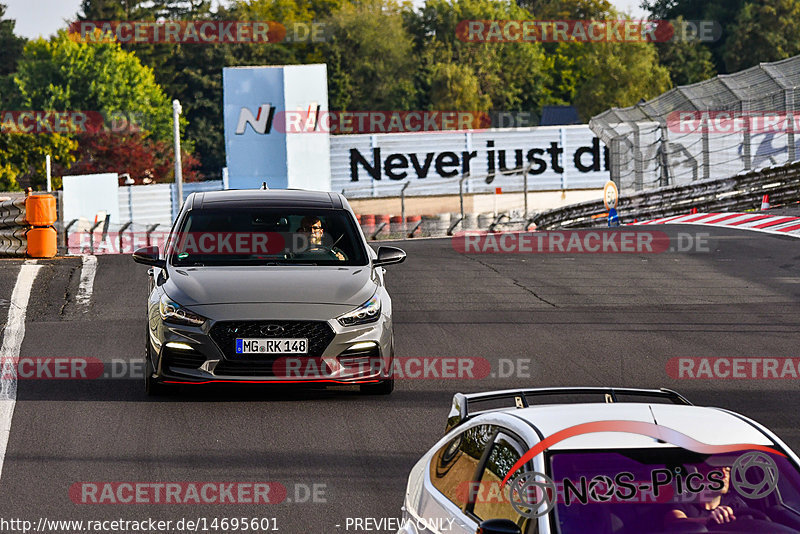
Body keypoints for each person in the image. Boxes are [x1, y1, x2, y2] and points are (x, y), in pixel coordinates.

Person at [664, 466, 746, 527]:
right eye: (717, 470)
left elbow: (751, 526)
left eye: (727, 471)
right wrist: (708, 521)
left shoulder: (735, 503)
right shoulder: (682, 499)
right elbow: (675, 522)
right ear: (698, 475)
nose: (724, 475)